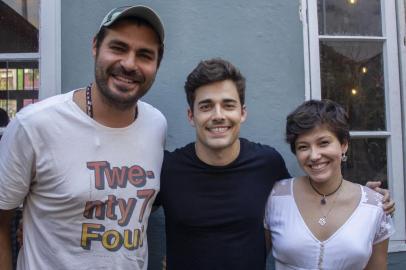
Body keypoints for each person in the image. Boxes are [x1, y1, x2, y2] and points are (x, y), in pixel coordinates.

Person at [156, 59, 394, 270]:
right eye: (206, 106)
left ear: (243, 113)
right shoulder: (167, 169)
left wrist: (367, 200)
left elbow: (313, 191)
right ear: (191, 115)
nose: (218, 115)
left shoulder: (267, 164)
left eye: (228, 105)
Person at [0, 5, 166, 270]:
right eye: (118, 48)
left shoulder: (156, 125)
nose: (129, 64)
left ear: (157, 64)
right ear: (95, 47)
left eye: (145, 55)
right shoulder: (34, 125)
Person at [264, 99, 394, 269]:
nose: (314, 155)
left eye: (323, 143)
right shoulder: (276, 198)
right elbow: (254, 256)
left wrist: (371, 198)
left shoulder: (375, 205)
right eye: (303, 147)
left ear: (344, 145)